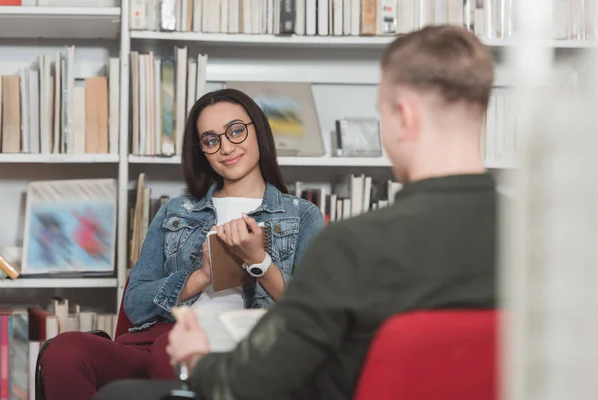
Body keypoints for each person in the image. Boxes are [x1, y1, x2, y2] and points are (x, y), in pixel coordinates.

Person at [94, 24, 498, 400]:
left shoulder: (352, 245)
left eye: (382, 114)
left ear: (404, 117)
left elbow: (252, 382)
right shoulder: (546, 238)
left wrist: (198, 360)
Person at [39, 88, 325, 400]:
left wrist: (259, 261)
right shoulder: (176, 211)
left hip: (245, 347)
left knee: (170, 351)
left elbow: (312, 312)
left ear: (259, 131)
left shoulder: (301, 215)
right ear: (201, 150)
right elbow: (135, 304)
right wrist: (201, 276)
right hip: (160, 339)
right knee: (65, 351)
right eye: (211, 140)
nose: (226, 147)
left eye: (237, 131)